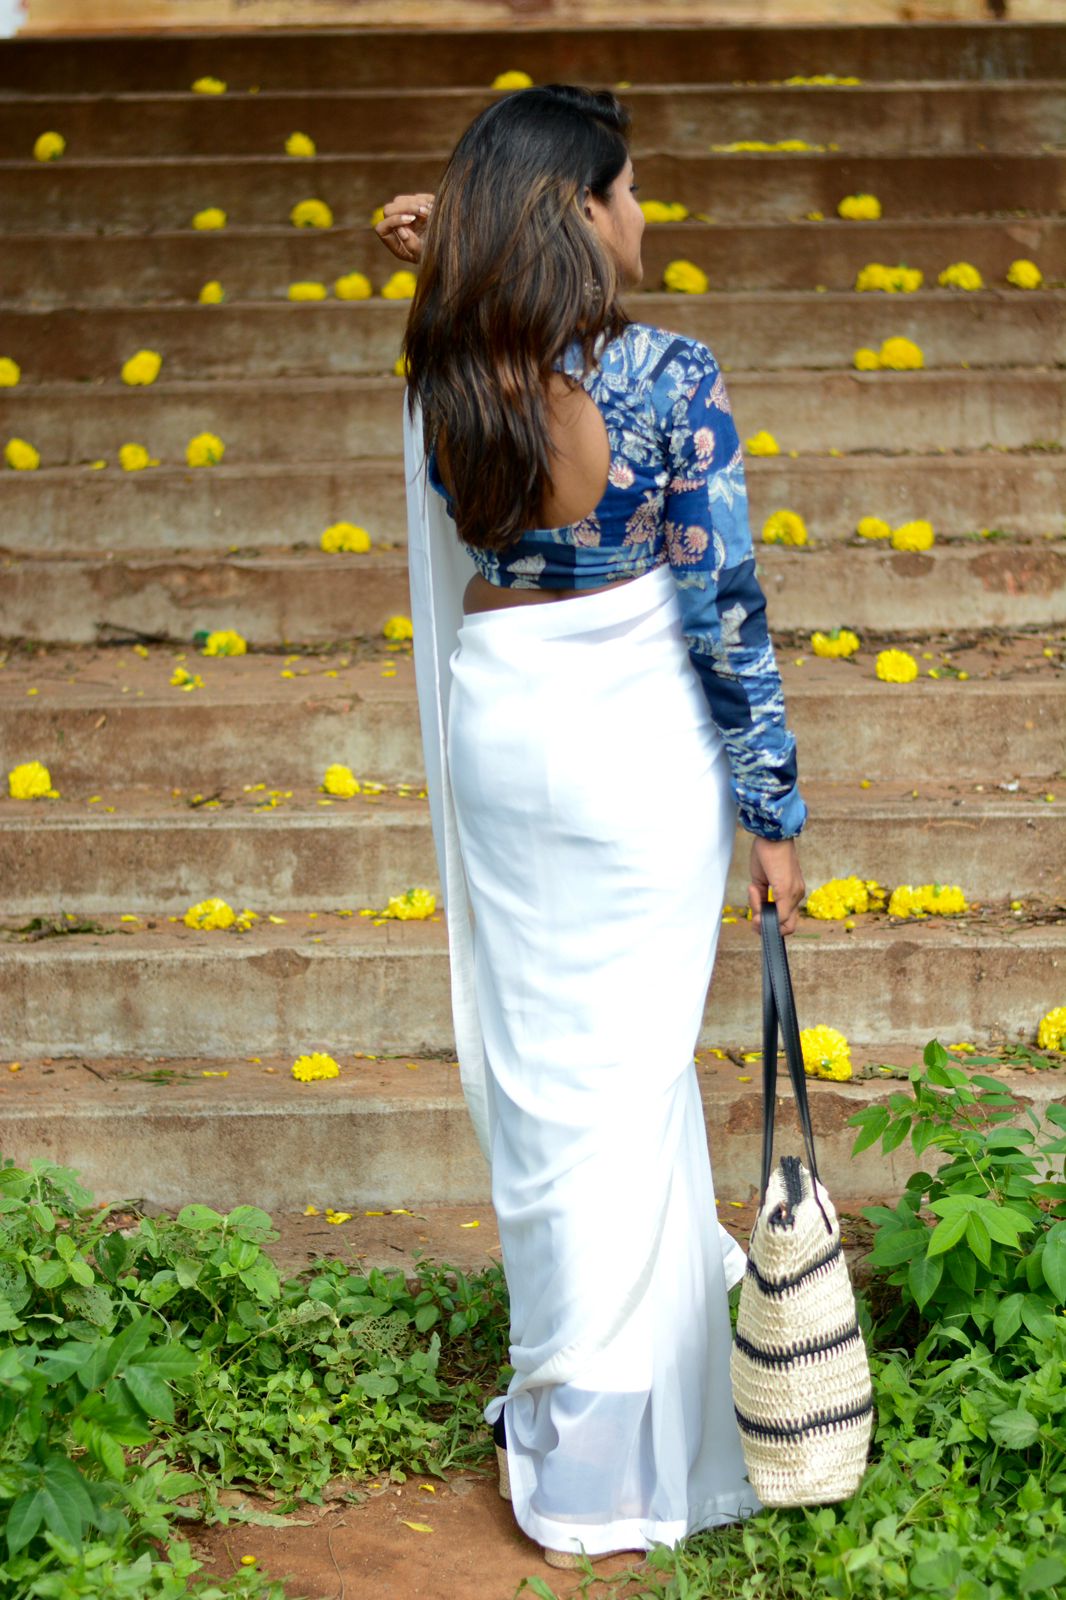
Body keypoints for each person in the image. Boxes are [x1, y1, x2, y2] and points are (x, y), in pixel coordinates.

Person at [376, 84, 807, 1569]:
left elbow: (488, 333)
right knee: (627, 1085)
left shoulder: (451, 365)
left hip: (509, 722)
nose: (643, 219)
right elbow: (719, 602)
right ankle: (648, 1447)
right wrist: (772, 805)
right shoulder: (670, 376)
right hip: (633, 748)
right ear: (576, 212)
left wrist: (443, 266)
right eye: (622, 194)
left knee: (557, 1082)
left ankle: (575, 1428)